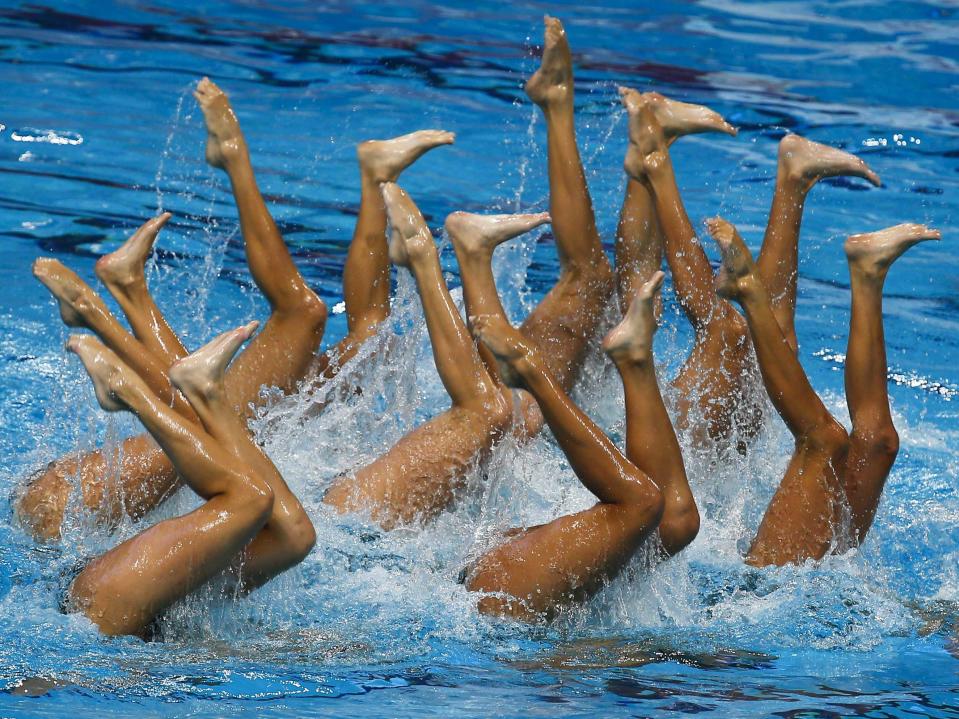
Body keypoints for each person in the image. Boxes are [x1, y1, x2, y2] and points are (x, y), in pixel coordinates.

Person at [15, 78, 453, 541]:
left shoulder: (292, 444)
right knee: (305, 322)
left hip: (64, 496)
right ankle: (121, 291)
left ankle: (122, 293)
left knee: (360, 344)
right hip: (62, 505)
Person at [618, 89, 881, 448]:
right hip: (691, 465)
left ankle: (654, 156)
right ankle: (793, 178)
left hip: (674, 456)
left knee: (737, 335)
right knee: (769, 342)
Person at [461, 271, 696, 620]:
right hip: (495, 598)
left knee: (657, 512)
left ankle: (613, 362)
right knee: (670, 517)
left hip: (494, 583)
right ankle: (624, 361)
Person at [708, 217, 939, 565]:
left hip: (767, 599)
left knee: (842, 443)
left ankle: (864, 274)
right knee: (869, 443)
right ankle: (757, 289)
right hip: (769, 598)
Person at [61, 323, 312, 638]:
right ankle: (191, 392)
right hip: (115, 613)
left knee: (256, 503)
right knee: (293, 535)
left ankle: (169, 391)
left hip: (106, 611)